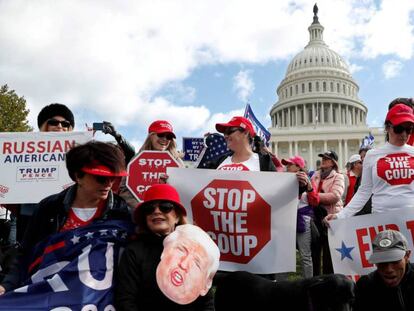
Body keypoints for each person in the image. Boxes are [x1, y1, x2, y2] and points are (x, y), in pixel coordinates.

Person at [0, 141, 130, 294]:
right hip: (48, 294)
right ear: (78, 176)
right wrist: (6, 285)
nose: (108, 184)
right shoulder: (49, 208)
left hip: (97, 298)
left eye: (113, 178)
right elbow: (26, 253)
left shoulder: (121, 212)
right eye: (101, 178)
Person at [115, 184, 214, 310]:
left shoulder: (196, 247)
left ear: (177, 216)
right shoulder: (134, 251)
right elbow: (125, 301)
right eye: (149, 208)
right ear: (145, 218)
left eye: (165, 207)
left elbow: (206, 301)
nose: (157, 211)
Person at [324, 103, 414, 222]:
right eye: (399, 129)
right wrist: (340, 216)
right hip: (382, 221)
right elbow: (364, 192)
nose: (404, 134)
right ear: (387, 128)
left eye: (408, 130)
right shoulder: (372, 155)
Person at [156, 224, 220, 305]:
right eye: (181, 250)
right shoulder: (139, 264)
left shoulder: (205, 303)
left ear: (205, 286)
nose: (183, 264)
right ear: (164, 252)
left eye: (197, 263)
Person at [354, 230, 414, 310]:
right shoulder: (365, 287)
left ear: (407, 256)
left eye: (395, 261)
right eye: (382, 262)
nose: (389, 269)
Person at [282, 156, 318, 278]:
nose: (286, 167)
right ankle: (281, 283)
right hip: (286, 220)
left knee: (305, 255)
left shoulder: (307, 180)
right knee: (284, 254)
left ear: (298, 166)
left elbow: (315, 201)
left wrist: (309, 187)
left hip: (302, 220)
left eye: (289, 164)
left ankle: (309, 283)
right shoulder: (284, 180)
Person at [311, 150, 344, 275]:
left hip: (330, 216)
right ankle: (315, 278)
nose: (323, 160)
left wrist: (314, 196)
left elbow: (335, 196)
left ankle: (328, 278)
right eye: (322, 158)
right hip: (315, 216)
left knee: (329, 252)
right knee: (315, 249)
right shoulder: (315, 175)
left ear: (333, 162)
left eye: (326, 158)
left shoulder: (338, 176)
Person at [203, 116, 275, 171]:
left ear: (246, 133)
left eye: (229, 132)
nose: (225, 136)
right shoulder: (218, 161)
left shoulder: (264, 162)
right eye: (224, 133)